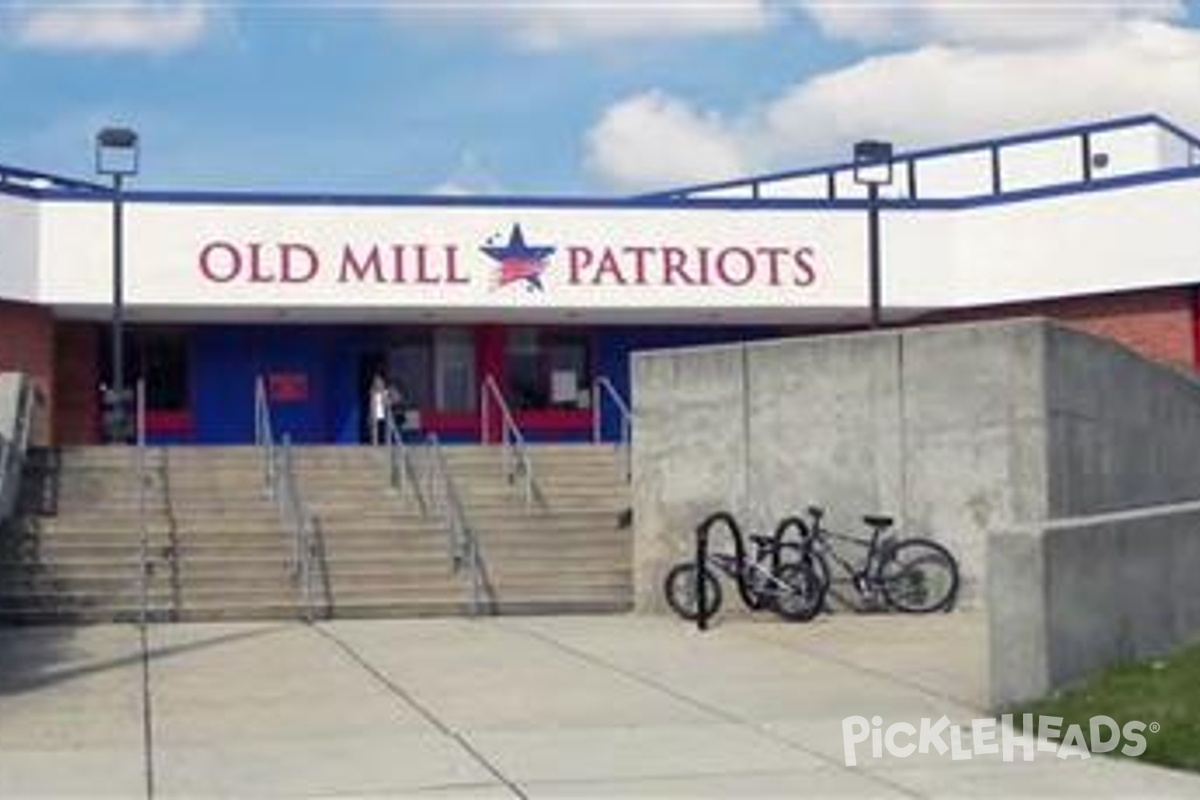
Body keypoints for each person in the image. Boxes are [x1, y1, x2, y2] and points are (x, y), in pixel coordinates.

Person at [369, 373, 388, 445]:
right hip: (375, 413)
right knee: (374, 429)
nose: (378, 384)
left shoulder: (385, 393)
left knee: (383, 429)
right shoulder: (373, 393)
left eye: (380, 382)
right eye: (376, 382)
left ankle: (384, 442)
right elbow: (371, 404)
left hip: (383, 414)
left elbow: (387, 403)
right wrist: (371, 414)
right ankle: (375, 443)